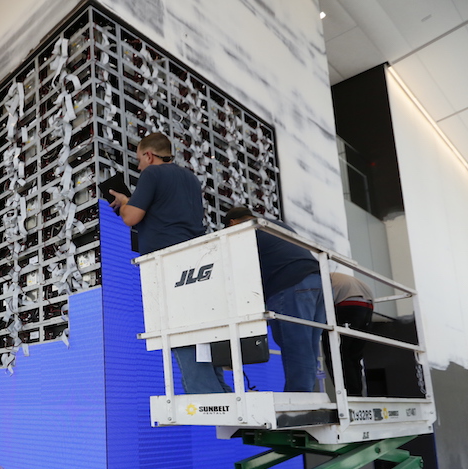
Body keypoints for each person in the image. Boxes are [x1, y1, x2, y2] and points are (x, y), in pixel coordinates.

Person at [109, 132, 231, 394]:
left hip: (168, 264)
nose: (139, 166)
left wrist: (125, 203)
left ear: (148, 155)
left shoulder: (152, 174)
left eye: (139, 160)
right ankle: (224, 397)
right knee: (202, 334)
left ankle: (206, 399)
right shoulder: (190, 178)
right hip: (196, 260)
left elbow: (131, 218)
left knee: (180, 332)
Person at [222, 206, 326, 392]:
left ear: (232, 223)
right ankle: (307, 393)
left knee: (294, 344)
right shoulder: (275, 225)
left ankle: (299, 397)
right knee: (309, 346)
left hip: (290, 283)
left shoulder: (245, 230)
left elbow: (241, 275)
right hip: (319, 282)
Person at [323, 272, 374, 396]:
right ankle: (356, 395)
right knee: (354, 355)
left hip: (347, 302)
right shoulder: (334, 275)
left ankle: (348, 395)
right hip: (367, 304)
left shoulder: (317, 276)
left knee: (336, 353)